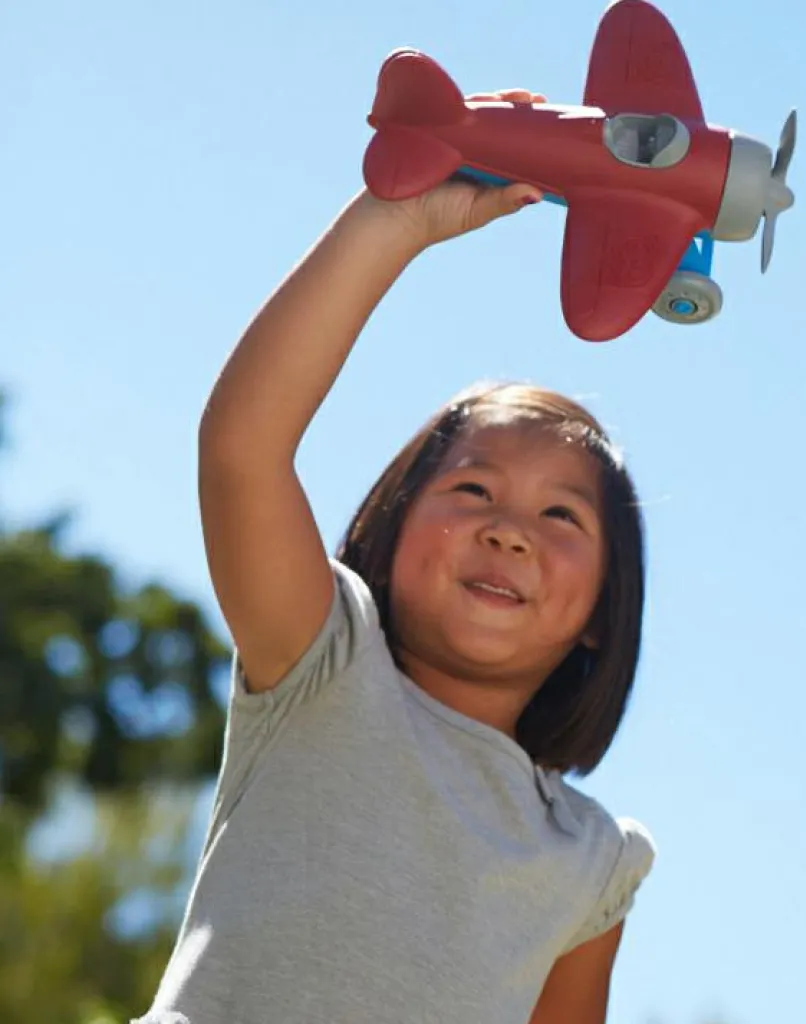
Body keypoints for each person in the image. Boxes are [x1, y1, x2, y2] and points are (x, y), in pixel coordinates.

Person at [136, 88, 656, 1024]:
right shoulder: (324, 664)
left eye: (560, 516)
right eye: (474, 491)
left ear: (602, 615)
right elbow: (242, 448)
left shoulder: (590, 863)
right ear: (390, 526)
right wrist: (396, 221)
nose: (509, 531)